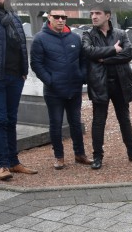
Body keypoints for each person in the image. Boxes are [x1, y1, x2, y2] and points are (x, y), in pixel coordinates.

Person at [82, 4, 132, 170]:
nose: (94, 16)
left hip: (120, 83)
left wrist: (104, 58)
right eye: (92, 13)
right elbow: (89, 52)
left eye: (98, 13)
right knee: (98, 121)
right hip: (99, 83)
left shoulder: (121, 33)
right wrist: (113, 50)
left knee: (124, 119)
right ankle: (97, 157)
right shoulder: (88, 34)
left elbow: (127, 54)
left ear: (108, 16)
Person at [30, 10, 93, 170]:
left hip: (74, 88)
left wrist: (81, 76)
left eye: (63, 17)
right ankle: (59, 157)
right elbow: (36, 64)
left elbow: (83, 60)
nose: (60, 20)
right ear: (49, 18)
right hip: (54, 91)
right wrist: (50, 80)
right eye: (56, 17)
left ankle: (80, 154)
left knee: (76, 123)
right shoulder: (40, 39)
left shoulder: (74, 38)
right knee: (56, 124)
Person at [0, 0, 38, 181]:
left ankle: (14, 161)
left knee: (12, 120)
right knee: (0, 120)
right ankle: (2, 164)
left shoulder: (14, 18)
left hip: (15, 77)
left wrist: (23, 71)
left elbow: (21, 46)